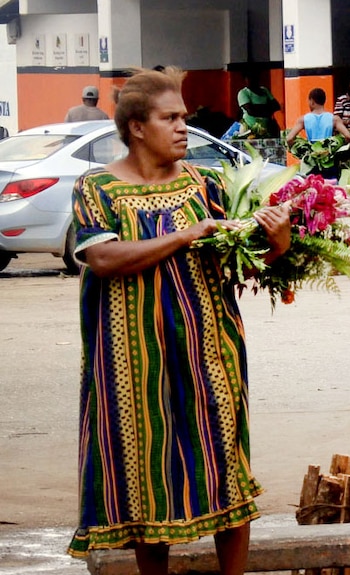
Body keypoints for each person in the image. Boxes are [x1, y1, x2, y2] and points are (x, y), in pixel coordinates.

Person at [67, 66, 293, 575]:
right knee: (147, 472)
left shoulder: (206, 183)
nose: (183, 127)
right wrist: (186, 235)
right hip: (128, 360)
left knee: (223, 467)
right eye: (170, 118)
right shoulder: (96, 188)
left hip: (207, 350)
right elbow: (102, 259)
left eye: (184, 117)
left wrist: (277, 244)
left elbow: (243, 261)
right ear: (137, 128)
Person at [283, 87, 350, 144]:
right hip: (329, 156)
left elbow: (289, 138)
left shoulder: (303, 120)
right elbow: (348, 136)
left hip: (311, 156)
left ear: (312, 101)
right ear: (324, 101)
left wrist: (298, 151)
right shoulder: (334, 119)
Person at [237, 67, 281, 138]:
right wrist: (267, 108)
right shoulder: (243, 93)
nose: (250, 80)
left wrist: (257, 107)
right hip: (249, 128)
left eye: (253, 77)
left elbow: (276, 106)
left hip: (266, 128)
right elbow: (251, 111)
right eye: (248, 78)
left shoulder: (264, 90)